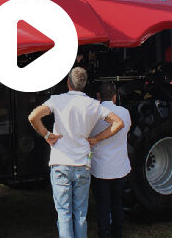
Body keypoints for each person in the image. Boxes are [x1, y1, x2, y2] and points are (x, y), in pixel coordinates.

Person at [28, 68, 124, 238]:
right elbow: (118, 123)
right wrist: (97, 138)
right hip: (82, 165)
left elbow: (34, 116)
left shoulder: (57, 100)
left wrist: (47, 135)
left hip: (60, 163)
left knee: (64, 214)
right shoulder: (93, 104)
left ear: (68, 82)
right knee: (80, 214)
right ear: (85, 84)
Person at [89, 82, 131, 238]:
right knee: (117, 203)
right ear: (115, 96)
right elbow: (127, 129)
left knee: (103, 205)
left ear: (98, 96)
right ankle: (117, 233)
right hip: (119, 167)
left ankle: (104, 234)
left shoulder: (93, 113)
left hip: (100, 168)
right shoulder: (124, 112)